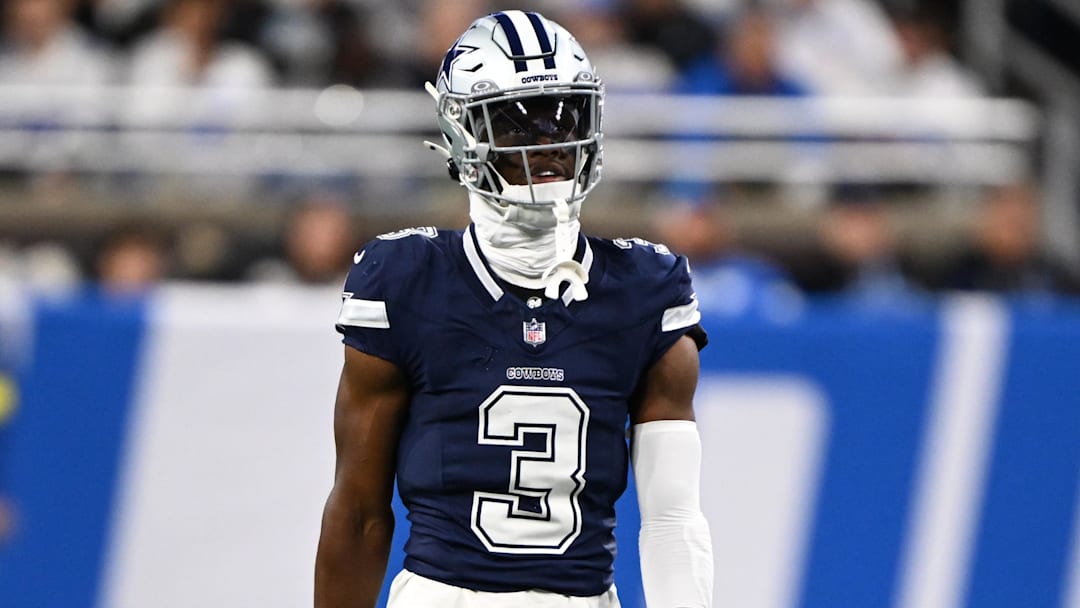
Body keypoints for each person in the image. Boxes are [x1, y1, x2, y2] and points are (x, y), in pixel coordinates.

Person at [315, 10, 714, 608]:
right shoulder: (405, 280)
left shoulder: (644, 288)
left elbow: (672, 519)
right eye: (516, 123)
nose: (549, 144)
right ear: (462, 138)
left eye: (564, 118)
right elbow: (359, 511)